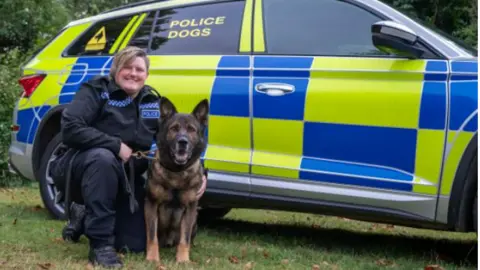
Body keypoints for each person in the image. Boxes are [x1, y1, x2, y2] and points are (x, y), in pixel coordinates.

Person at [57, 46, 208, 268]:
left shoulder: (150, 101)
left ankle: (84, 217)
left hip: (124, 179)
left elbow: (177, 138)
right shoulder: (96, 90)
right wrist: (115, 145)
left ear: (146, 74)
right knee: (103, 158)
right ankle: (100, 246)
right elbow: (69, 128)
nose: (133, 73)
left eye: (139, 69)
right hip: (81, 169)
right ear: (115, 69)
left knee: (134, 244)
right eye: (127, 67)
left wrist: (200, 171)